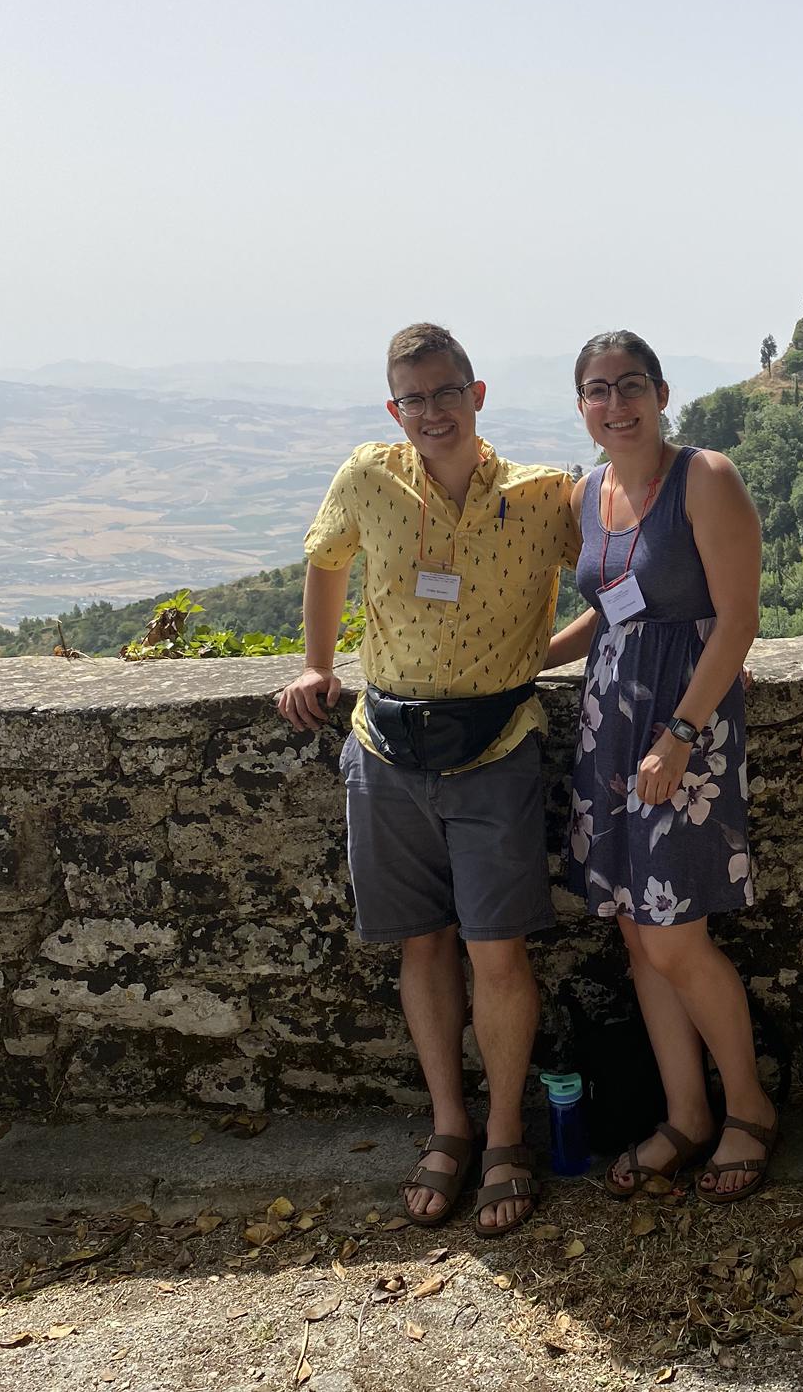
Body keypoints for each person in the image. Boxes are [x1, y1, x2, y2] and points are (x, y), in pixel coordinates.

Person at [277, 323, 578, 1237]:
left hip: (495, 748)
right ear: (393, 407)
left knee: (500, 950)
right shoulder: (367, 476)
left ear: (477, 395)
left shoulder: (540, 496)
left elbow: (624, 578)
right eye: (415, 398)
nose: (433, 411)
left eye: (448, 392)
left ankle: (503, 1137)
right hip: (384, 744)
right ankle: (449, 1125)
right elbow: (327, 561)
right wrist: (315, 663)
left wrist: (542, 658)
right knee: (422, 945)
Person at [545, 330, 777, 1202]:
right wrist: (517, 663)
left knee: (676, 931)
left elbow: (739, 618)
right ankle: (685, 1116)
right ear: (582, 407)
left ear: (662, 391)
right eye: (598, 390)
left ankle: (748, 1108)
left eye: (631, 385)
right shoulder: (586, 494)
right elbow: (609, 616)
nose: (617, 403)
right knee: (639, 932)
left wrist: (680, 733)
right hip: (612, 726)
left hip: (687, 725)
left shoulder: (704, 478)